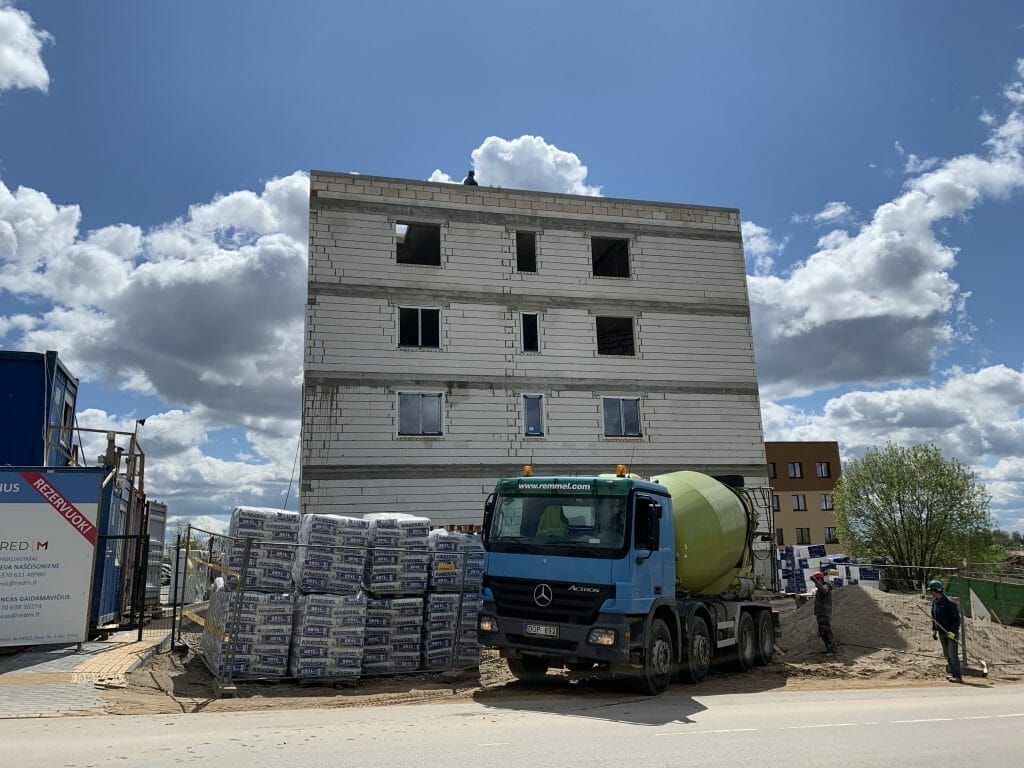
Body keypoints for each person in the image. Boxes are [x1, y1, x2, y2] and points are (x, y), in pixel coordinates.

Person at [928, 580, 963, 683]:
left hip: (951, 633)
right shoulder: (935, 603)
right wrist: (934, 630)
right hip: (942, 633)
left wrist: (953, 631)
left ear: (936, 591)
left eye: (932, 591)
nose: (931, 593)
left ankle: (957, 676)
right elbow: (934, 618)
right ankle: (953, 673)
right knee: (947, 654)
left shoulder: (949, 603)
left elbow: (956, 620)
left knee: (952, 654)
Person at [810, 571, 837, 655]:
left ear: (820, 579)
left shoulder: (826, 586)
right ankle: (829, 648)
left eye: (817, 580)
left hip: (824, 613)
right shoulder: (820, 588)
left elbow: (824, 590)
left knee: (827, 631)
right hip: (820, 613)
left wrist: (815, 581)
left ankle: (832, 649)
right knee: (822, 632)